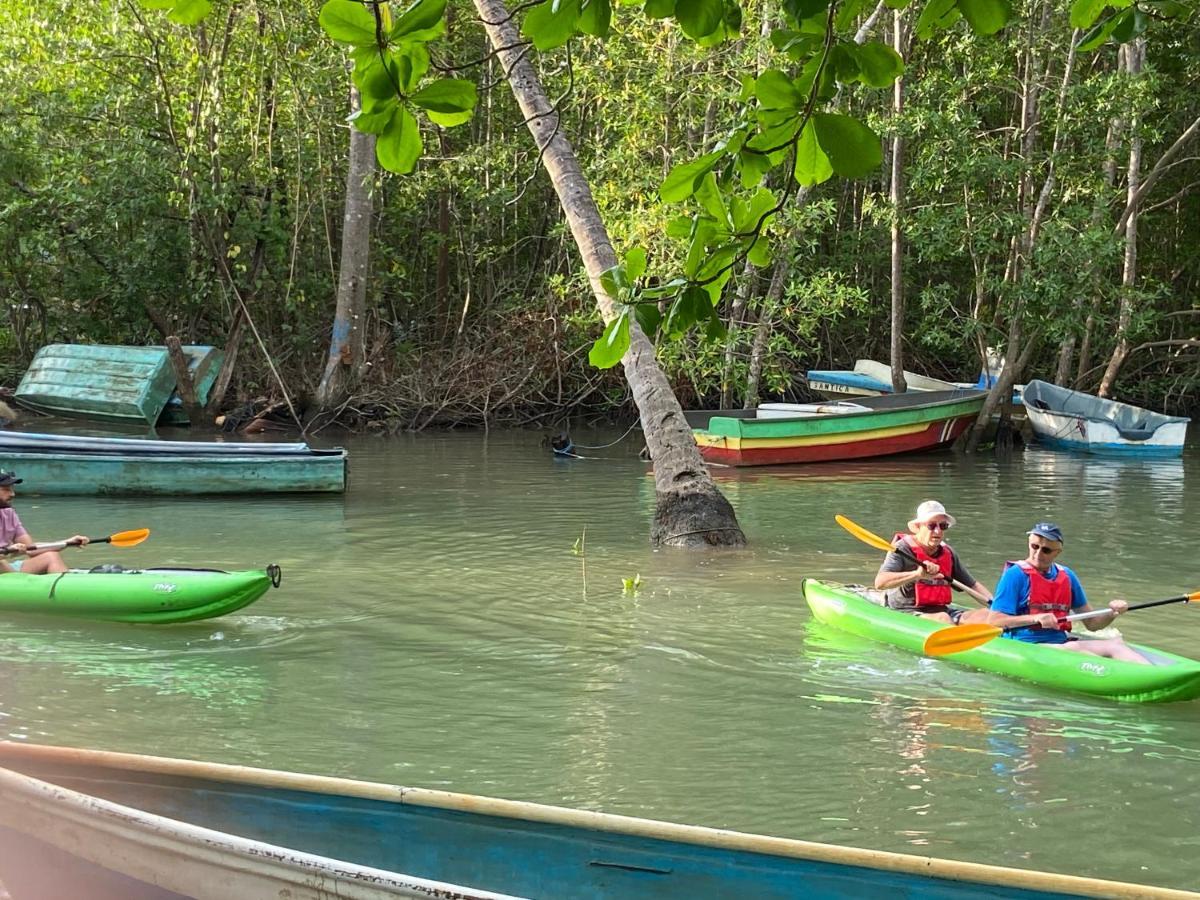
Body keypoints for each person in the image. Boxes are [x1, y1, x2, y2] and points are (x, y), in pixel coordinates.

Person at [989, 522, 1148, 664]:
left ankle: (1148, 673)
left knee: (1115, 644)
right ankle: (1122, 676)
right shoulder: (1015, 575)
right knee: (1072, 648)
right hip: (1025, 645)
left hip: (1060, 643)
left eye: (1046, 550)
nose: (1038, 554)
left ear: (1057, 552)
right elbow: (995, 620)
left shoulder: (1067, 575)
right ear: (1029, 543)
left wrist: (1113, 612)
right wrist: (1035, 617)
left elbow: (1092, 624)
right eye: (1035, 547)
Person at [875, 500, 994, 624]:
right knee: (943, 619)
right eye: (931, 526)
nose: (938, 531)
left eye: (943, 526)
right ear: (917, 527)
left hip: (941, 610)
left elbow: (972, 586)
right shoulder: (902, 549)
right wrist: (917, 575)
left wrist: (998, 608)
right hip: (906, 611)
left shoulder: (948, 553)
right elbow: (880, 582)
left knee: (986, 616)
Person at [0, 471, 88, 574]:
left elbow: (31, 548)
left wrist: (67, 543)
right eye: (6, 490)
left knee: (51, 556)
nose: (12, 494)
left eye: (12, 489)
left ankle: (63, 589)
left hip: (6, 566)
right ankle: (18, 585)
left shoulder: (9, 513)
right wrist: (8, 550)